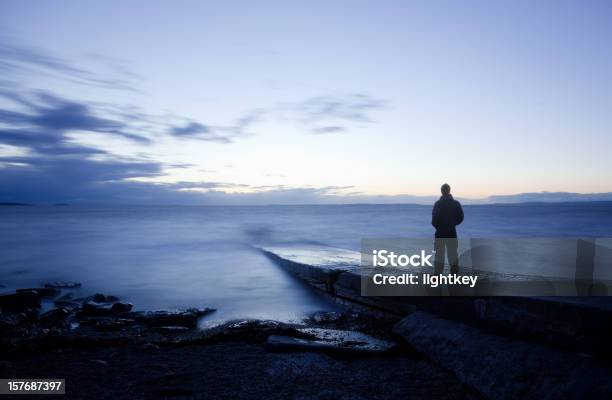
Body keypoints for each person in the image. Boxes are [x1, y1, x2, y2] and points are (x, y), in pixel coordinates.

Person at [431, 183, 464, 274]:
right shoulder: (456, 204)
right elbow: (460, 218)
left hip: (440, 233)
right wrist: (452, 224)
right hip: (451, 232)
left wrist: (438, 226)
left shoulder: (438, 204)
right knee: (453, 255)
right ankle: (454, 278)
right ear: (449, 191)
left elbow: (434, 220)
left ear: (441, 191)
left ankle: (437, 277)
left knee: (439, 256)